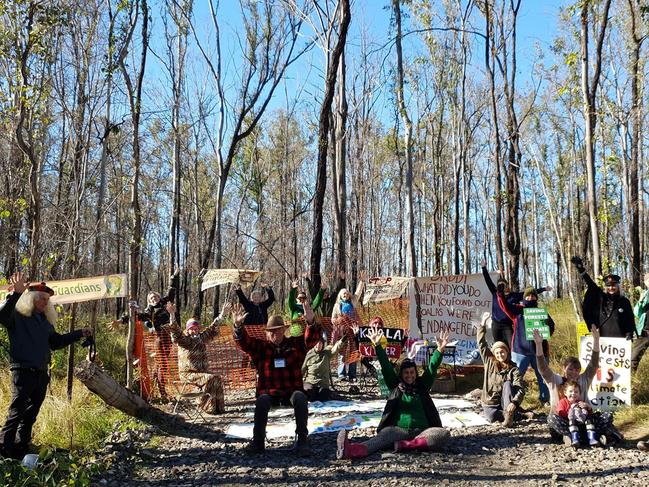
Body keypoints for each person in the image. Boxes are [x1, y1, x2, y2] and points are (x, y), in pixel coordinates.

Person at [0, 273, 93, 459]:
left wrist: (79, 333)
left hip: (41, 374)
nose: (45, 302)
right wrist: (16, 294)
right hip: (22, 372)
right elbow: (1, 317)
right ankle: (3, 451)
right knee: (16, 413)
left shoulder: (44, 321)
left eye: (47, 299)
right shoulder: (17, 316)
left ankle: (20, 450)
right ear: (31, 299)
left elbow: (56, 342)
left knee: (30, 415)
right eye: (41, 298)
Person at [336, 323, 450, 459]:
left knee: (443, 434)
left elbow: (432, 368)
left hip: (423, 431)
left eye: (412, 372)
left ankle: (406, 445)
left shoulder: (422, 385)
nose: (409, 375)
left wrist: (440, 350)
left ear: (416, 373)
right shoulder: (395, 385)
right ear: (401, 374)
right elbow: (385, 366)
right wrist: (377, 345)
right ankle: (350, 451)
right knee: (378, 440)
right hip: (397, 430)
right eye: (406, 373)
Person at [233, 300, 321, 456]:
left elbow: (311, 339)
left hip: (291, 391)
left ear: (284, 330)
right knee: (261, 401)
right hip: (269, 392)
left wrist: (310, 321)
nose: (275, 334)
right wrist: (239, 327)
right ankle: (258, 442)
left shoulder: (295, 344)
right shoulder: (261, 347)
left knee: (301, 397)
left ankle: (302, 440)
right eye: (271, 331)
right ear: (267, 333)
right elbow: (244, 343)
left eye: (278, 330)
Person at [533, 327, 622, 445]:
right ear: (564, 369)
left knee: (607, 415)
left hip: (584, 421)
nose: (573, 372)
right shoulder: (555, 380)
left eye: (577, 370)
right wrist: (539, 344)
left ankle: (585, 437)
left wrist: (596, 340)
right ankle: (577, 436)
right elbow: (543, 368)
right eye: (570, 369)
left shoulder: (583, 379)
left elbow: (594, 364)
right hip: (564, 422)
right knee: (551, 418)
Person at [165, 302, 230, 414]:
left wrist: (222, 314)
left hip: (202, 372)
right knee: (211, 378)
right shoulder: (184, 340)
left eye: (196, 328)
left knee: (217, 378)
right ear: (188, 329)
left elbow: (212, 328)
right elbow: (176, 332)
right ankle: (204, 405)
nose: (195, 330)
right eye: (192, 328)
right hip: (188, 374)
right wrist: (172, 315)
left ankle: (218, 408)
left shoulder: (201, 338)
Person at [498, 287, 555, 404]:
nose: (531, 298)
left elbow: (551, 326)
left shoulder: (541, 313)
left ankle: (545, 400)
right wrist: (500, 294)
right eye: (528, 296)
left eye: (533, 296)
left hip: (539, 351)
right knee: (515, 376)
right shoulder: (518, 311)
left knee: (543, 376)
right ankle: (511, 400)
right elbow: (505, 306)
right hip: (520, 351)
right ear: (524, 298)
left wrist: (545, 332)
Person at [480, 260, 551, 346]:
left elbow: (529, 293)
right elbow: (488, 280)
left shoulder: (514, 296)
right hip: (496, 324)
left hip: (508, 325)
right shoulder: (495, 294)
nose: (502, 287)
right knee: (498, 346)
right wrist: (483, 267)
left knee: (511, 345)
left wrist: (544, 289)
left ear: (507, 286)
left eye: (503, 285)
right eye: (500, 285)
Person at [476, 312, 527, 427]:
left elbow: (521, 388)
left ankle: (509, 415)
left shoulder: (513, 368)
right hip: (490, 402)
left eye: (502, 352)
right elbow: (481, 344)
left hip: (506, 402)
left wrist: (515, 402)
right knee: (491, 417)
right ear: (494, 354)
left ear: (507, 352)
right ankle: (519, 415)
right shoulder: (489, 362)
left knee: (508, 383)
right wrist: (483, 324)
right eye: (497, 353)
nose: (500, 355)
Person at [138, 270, 180, 398]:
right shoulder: (149, 311)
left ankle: (155, 384)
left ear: (159, 296)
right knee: (163, 364)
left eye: (155, 296)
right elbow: (139, 316)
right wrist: (125, 317)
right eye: (151, 298)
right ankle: (162, 391)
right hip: (160, 339)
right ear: (149, 301)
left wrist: (174, 276)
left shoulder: (165, 301)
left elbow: (171, 291)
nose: (154, 299)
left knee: (161, 363)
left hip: (169, 337)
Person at [571, 256, 635, 338]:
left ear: (618, 286)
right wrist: (581, 269)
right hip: (603, 341)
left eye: (613, 285)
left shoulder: (624, 301)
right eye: (608, 286)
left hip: (620, 342)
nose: (611, 288)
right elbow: (591, 284)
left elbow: (630, 320)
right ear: (605, 287)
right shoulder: (601, 298)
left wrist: (629, 333)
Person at [331, 285, 364, 381]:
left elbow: (357, 294)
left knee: (354, 351)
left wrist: (361, 282)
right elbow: (333, 319)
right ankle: (341, 374)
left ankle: (352, 374)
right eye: (343, 293)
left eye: (347, 293)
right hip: (342, 331)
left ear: (349, 295)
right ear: (340, 296)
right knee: (342, 352)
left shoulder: (352, 302)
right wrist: (337, 320)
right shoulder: (337, 305)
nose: (345, 294)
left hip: (353, 330)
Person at [556, 381, 600, 448]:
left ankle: (592, 438)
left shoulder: (580, 403)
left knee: (591, 420)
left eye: (576, 392)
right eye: (570, 391)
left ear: (579, 394)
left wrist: (588, 407)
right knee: (552, 418)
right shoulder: (563, 402)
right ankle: (573, 438)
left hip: (582, 426)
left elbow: (588, 414)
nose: (573, 393)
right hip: (569, 424)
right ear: (565, 393)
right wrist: (571, 413)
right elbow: (560, 413)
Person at [301, 335, 344, 402]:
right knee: (310, 395)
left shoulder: (327, 353)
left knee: (323, 397)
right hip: (310, 382)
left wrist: (342, 340)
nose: (318, 345)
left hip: (322, 384)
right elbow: (302, 369)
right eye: (317, 343)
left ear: (323, 344)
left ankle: (329, 394)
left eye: (320, 343)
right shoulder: (309, 354)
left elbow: (336, 348)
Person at [631, 272, 649, 371]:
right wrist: (641, 301)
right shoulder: (645, 295)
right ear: (646, 282)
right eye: (648, 280)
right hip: (644, 332)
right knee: (633, 358)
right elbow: (637, 313)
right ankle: (631, 381)